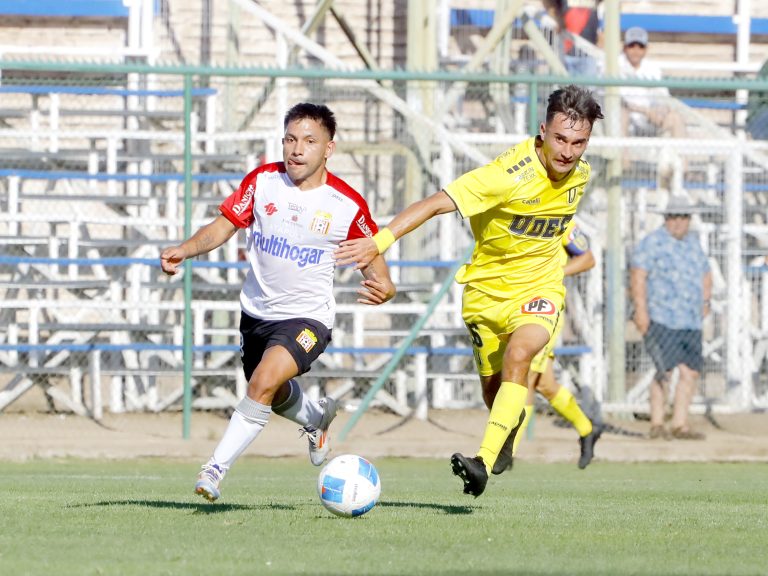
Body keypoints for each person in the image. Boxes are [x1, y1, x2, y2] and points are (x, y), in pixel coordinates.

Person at [334, 85, 604, 497]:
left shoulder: (581, 174)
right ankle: (505, 438)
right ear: (542, 131)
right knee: (493, 392)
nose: (568, 152)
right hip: (485, 293)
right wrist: (380, 241)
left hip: (540, 287)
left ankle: (482, 462)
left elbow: (568, 236)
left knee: (522, 357)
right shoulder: (503, 176)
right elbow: (433, 204)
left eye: (579, 142)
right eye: (560, 139)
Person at [160, 102, 396, 502]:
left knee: (263, 381)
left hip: (307, 319)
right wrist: (185, 249)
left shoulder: (346, 205)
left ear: (329, 149)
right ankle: (316, 419)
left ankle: (214, 469)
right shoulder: (263, 181)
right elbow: (223, 226)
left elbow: (374, 263)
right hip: (255, 314)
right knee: (271, 390)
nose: (296, 149)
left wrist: (386, 287)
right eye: (289, 139)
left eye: (308, 141)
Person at [492, 220, 599, 474]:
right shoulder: (520, 220)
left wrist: (555, 273)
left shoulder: (560, 221)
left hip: (544, 310)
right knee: (545, 384)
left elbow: (588, 259)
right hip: (517, 307)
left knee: (526, 377)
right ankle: (587, 430)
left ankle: (509, 450)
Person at [630, 195, 712, 440]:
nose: (678, 222)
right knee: (663, 371)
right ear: (666, 218)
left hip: (690, 320)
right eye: (673, 216)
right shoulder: (652, 243)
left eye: (683, 217)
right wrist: (641, 310)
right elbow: (638, 276)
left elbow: (706, 274)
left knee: (690, 372)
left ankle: (680, 424)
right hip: (662, 317)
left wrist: (706, 301)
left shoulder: (694, 244)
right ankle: (657, 423)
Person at [619, 26, 685, 139]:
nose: (636, 50)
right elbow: (617, 101)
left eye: (640, 46)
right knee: (622, 115)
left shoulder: (652, 69)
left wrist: (659, 112)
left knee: (675, 118)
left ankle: (682, 157)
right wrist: (645, 111)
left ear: (646, 49)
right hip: (627, 118)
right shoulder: (615, 65)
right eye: (631, 46)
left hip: (649, 120)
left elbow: (664, 99)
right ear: (625, 48)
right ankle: (622, 157)